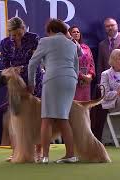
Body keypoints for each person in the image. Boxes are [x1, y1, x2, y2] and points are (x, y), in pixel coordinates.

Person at [28, 19, 79, 163]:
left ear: (50, 30)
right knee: (63, 118)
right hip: (70, 80)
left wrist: (31, 83)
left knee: (47, 119)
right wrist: (73, 80)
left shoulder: (45, 41)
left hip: (53, 80)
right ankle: (71, 155)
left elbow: (32, 63)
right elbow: (76, 65)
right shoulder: (72, 44)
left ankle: (45, 156)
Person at [0, 17, 43, 147]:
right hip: (15, 84)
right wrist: (11, 70)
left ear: (24, 29)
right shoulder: (5, 43)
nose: (16, 37)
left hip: (34, 80)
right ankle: (17, 150)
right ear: (9, 33)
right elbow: (5, 64)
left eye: (19, 33)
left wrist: (22, 68)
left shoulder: (34, 38)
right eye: (13, 35)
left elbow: (38, 60)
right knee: (15, 117)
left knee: (36, 116)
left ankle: (38, 150)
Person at [69, 26, 95, 101]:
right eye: (74, 32)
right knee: (75, 106)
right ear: (69, 34)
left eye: (78, 32)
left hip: (86, 82)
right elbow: (69, 65)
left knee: (86, 105)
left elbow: (92, 64)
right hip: (74, 81)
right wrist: (82, 76)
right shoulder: (68, 48)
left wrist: (90, 75)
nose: (76, 33)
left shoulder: (86, 47)